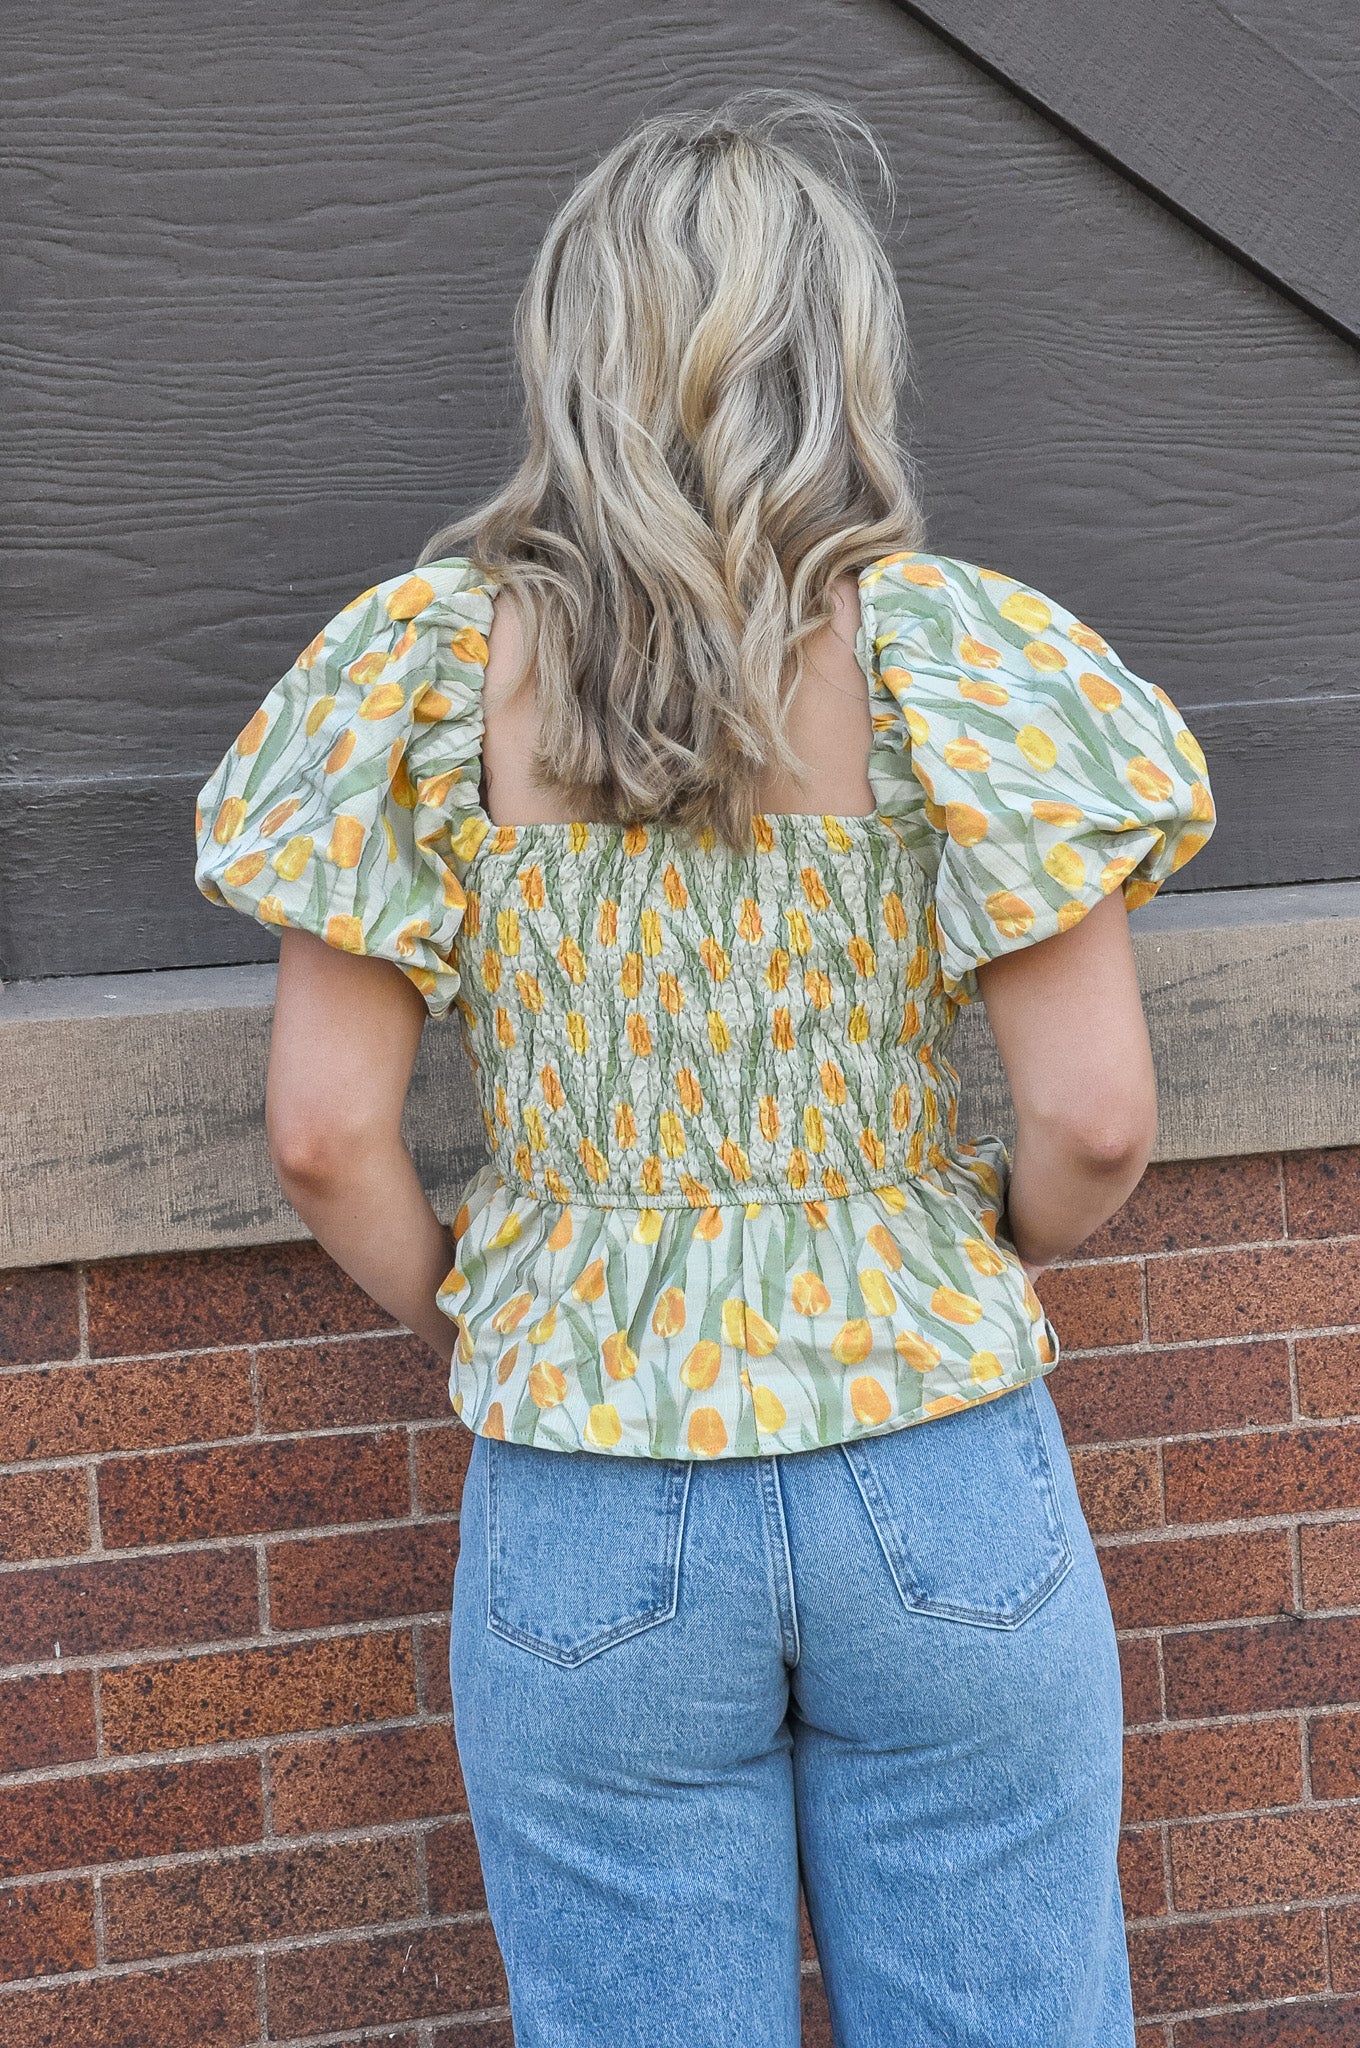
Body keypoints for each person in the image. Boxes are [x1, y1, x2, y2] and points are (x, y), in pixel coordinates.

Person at [195, 91, 1214, 2048]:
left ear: (570, 353)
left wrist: (481, 1306)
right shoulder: (954, 660)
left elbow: (324, 1135)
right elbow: (1094, 1117)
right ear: (840, 357)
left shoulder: (427, 670)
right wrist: (952, 1250)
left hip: (589, 1476)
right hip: (930, 1448)